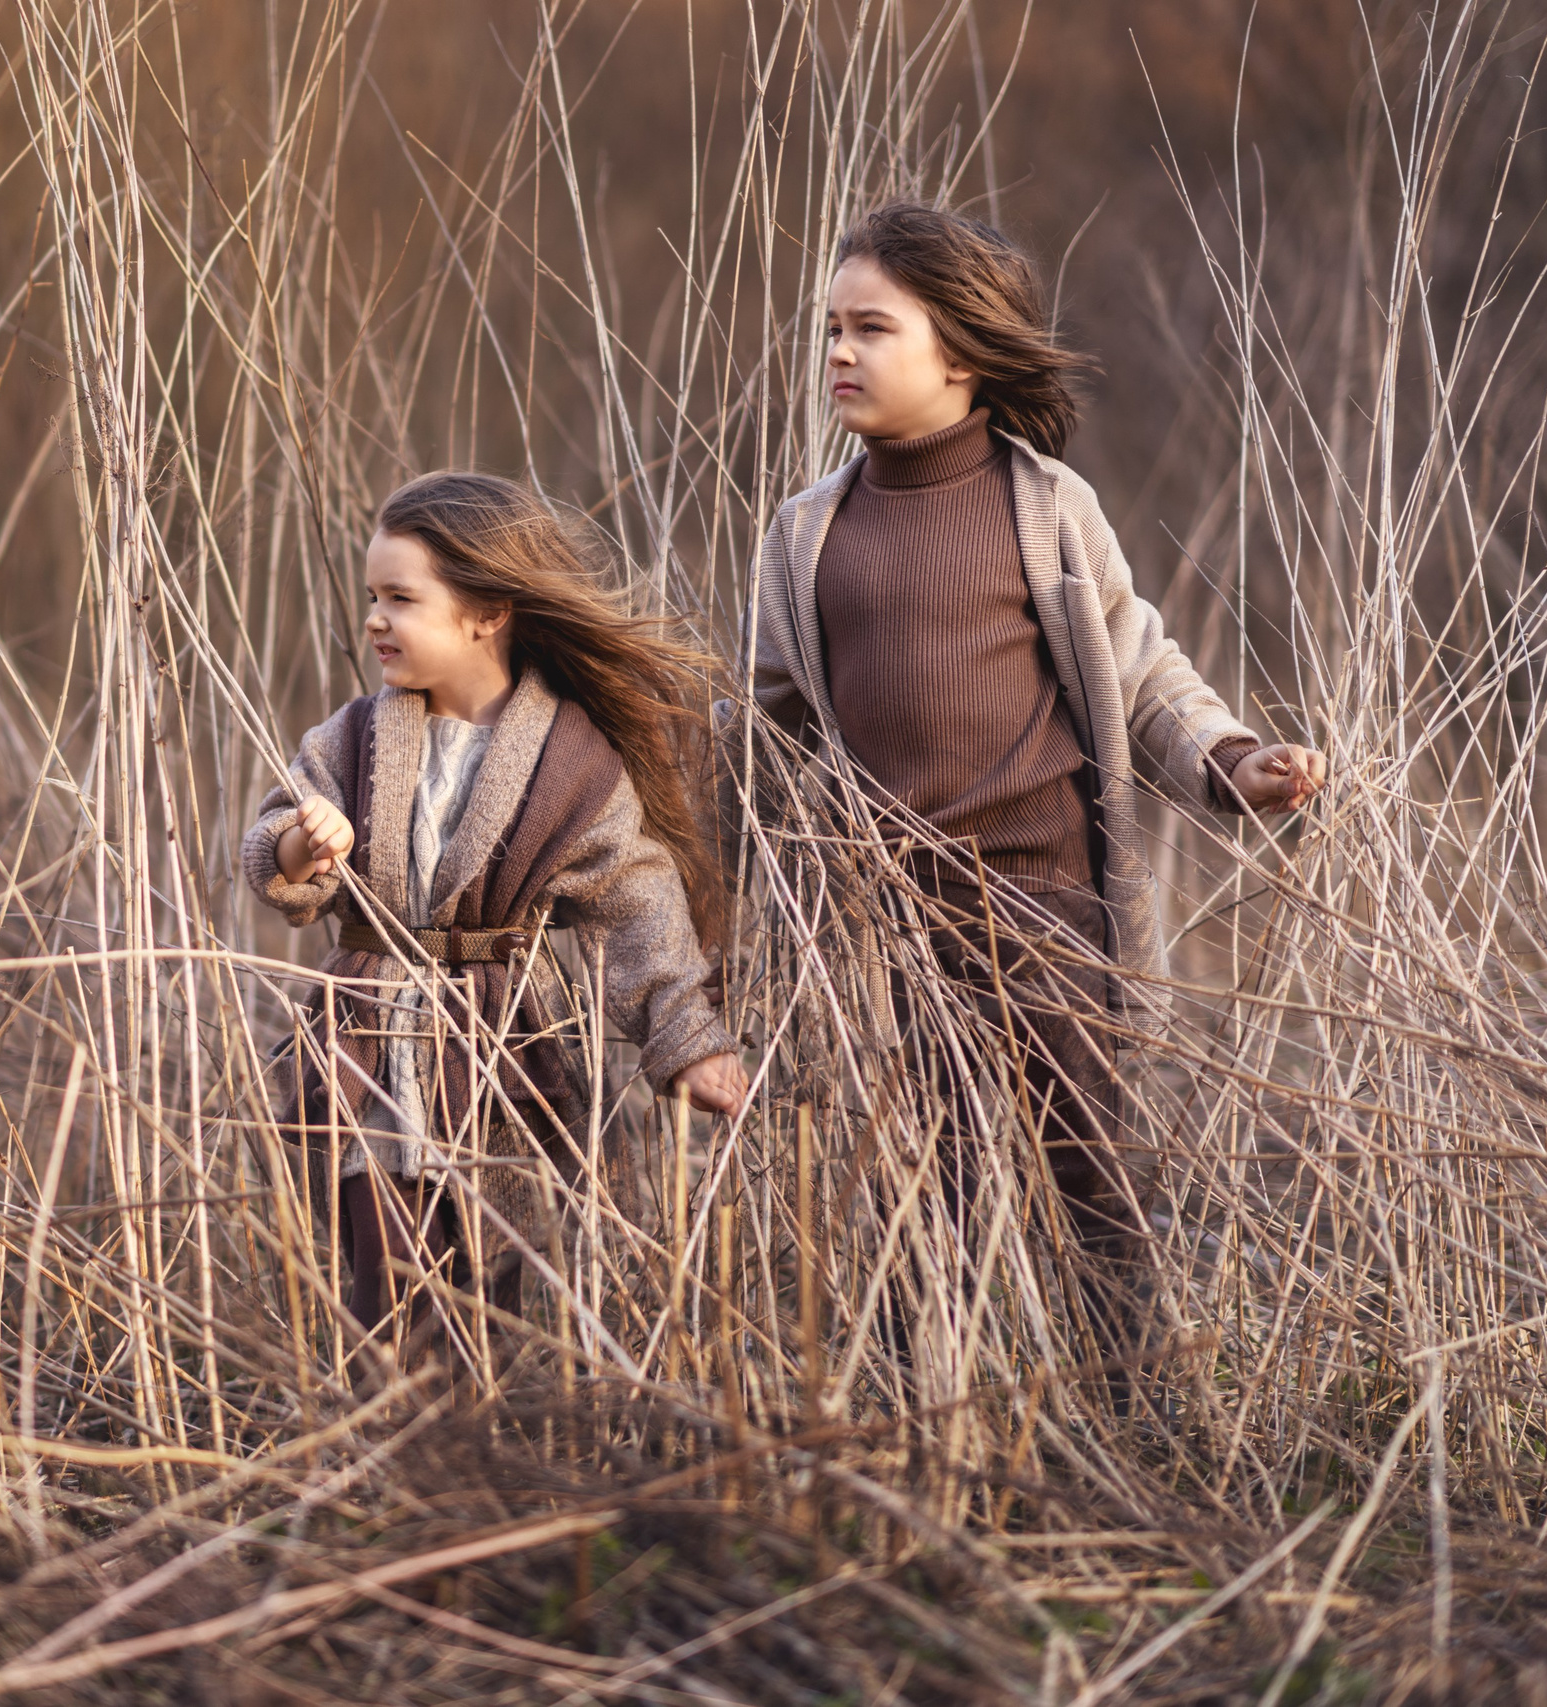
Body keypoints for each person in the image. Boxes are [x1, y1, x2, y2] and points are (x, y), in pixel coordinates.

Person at [742, 201, 1328, 1359]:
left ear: (961, 355)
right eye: (830, 330)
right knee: (929, 1191)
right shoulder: (806, 532)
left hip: (1046, 906)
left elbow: (1141, 665)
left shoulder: (1047, 508)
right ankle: (945, 1405)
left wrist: (1231, 760)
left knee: (1090, 1177)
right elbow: (770, 719)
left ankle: (1129, 1400)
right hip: (890, 922)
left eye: (872, 329)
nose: (839, 354)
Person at [245, 472, 747, 1340]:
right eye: (372, 597)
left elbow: (637, 905)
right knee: (388, 1278)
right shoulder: (353, 736)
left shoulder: (571, 763)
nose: (374, 619)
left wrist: (686, 1039)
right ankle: (395, 1442)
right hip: (365, 1033)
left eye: (401, 598)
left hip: (497, 1048)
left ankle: (474, 1453)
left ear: (487, 611)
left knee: (487, 1278)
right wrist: (304, 841)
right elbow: (275, 849)